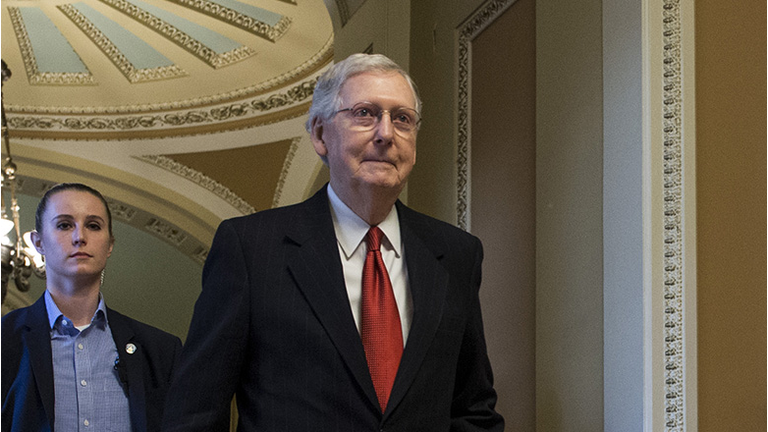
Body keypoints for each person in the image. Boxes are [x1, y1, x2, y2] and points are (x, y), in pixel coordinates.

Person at [162, 53, 504, 431]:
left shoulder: (457, 254)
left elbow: (473, 408)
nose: (386, 134)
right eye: (365, 113)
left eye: (402, 119)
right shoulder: (250, 248)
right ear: (320, 135)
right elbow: (194, 413)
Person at [2, 183, 182, 432]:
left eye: (93, 225)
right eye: (65, 225)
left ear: (110, 245)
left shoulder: (161, 351)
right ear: (38, 242)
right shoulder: (4, 340)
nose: (80, 237)